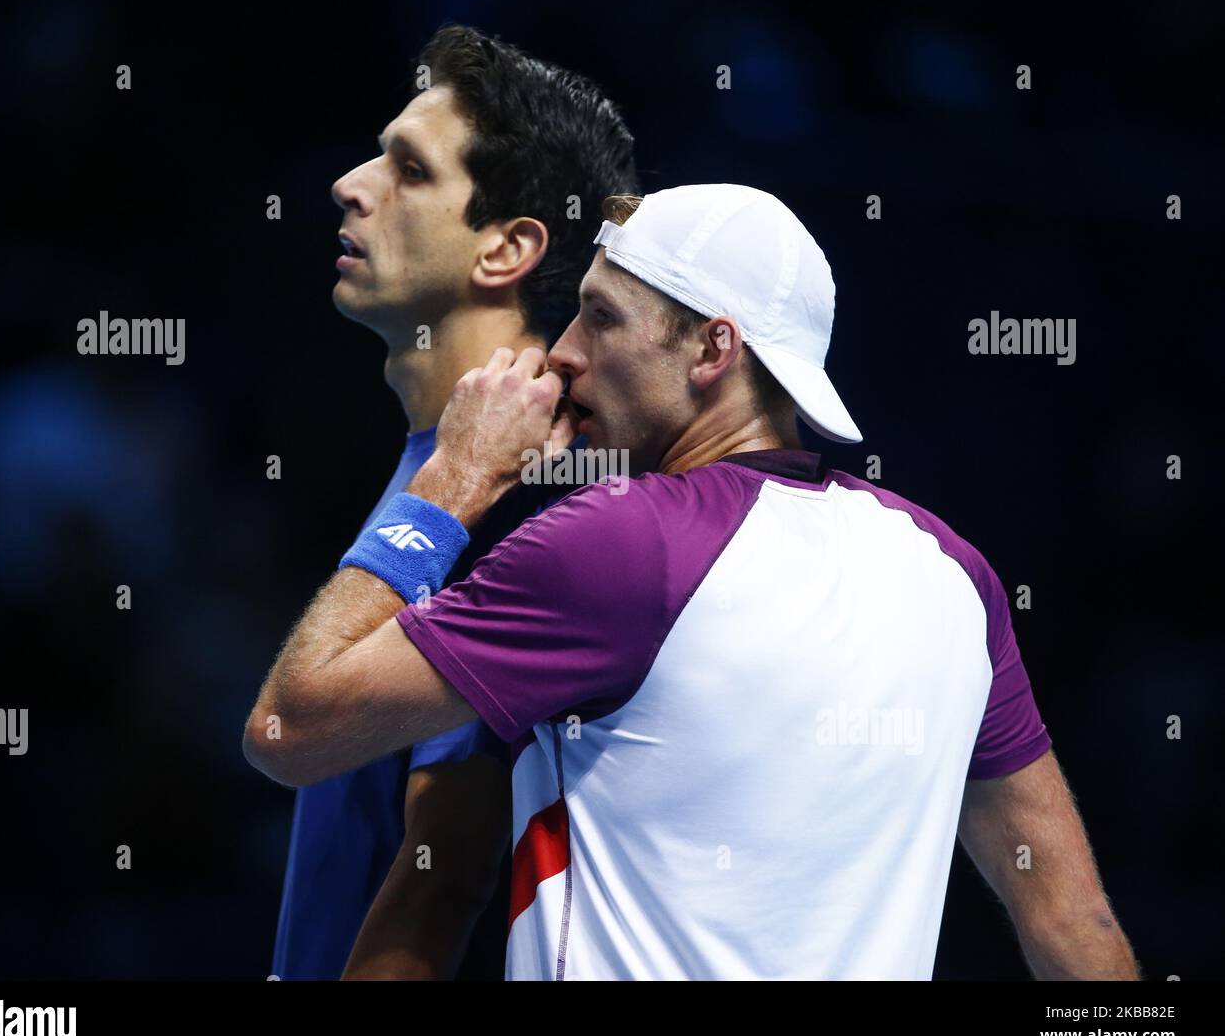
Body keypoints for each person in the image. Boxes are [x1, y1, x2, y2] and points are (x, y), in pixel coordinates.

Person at [247, 184, 1139, 980]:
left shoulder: (621, 542)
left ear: (713, 347)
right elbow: (1073, 920)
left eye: (600, 317)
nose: (561, 352)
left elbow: (291, 727)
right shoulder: (954, 574)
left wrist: (453, 479)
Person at [269, 23, 637, 981]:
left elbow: (445, 875)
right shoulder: (447, 463)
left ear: (507, 248)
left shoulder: (536, 489)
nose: (352, 184)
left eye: (409, 170)